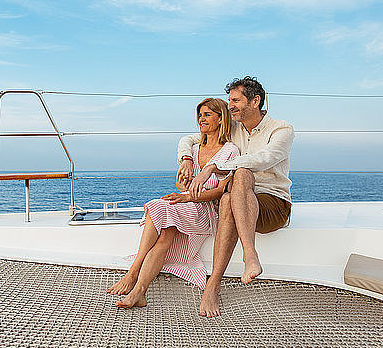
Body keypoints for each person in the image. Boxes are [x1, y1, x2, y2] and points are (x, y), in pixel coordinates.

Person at [177, 76, 294, 317]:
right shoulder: (234, 129)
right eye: (229, 100)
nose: (230, 105)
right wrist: (187, 158)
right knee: (229, 197)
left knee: (241, 172)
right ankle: (216, 283)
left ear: (255, 101)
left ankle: (246, 256)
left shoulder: (281, 129)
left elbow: (264, 159)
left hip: (272, 203)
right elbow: (189, 139)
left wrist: (213, 166)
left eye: (236, 100)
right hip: (237, 201)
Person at [107, 98, 239, 309]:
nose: (201, 119)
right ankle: (139, 291)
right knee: (164, 227)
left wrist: (188, 197)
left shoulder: (231, 151)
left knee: (159, 206)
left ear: (221, 118)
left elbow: (222, 190)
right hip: (186, 204)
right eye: (200, 115)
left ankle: (134, 271)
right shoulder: (194, 149)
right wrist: (183, 184)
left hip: (205, 210)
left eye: (207, 115)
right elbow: (182, 186)